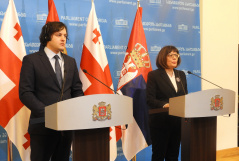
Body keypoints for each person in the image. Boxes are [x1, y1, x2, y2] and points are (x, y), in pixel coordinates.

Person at [19, 22, 84, 161]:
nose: (63, 39)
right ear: (47, 36)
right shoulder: (32, 60)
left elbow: (77, 90)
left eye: (65, 36)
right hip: (42, 126)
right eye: (58, 35)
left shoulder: (70, 62)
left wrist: (76, 110)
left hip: (66, 128)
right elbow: (25, 93)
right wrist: (49, 113)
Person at [146, 45, 188, 161]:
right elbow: (150, 99)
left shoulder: (181, 75)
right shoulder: (154, 75)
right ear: (163, 57)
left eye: (176, 55)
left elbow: (184, 96)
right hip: (160, 122)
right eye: (171, 55)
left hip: (177, 121)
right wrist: (165, 105)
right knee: (159, 155)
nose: (175, 58)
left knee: (173, 155)